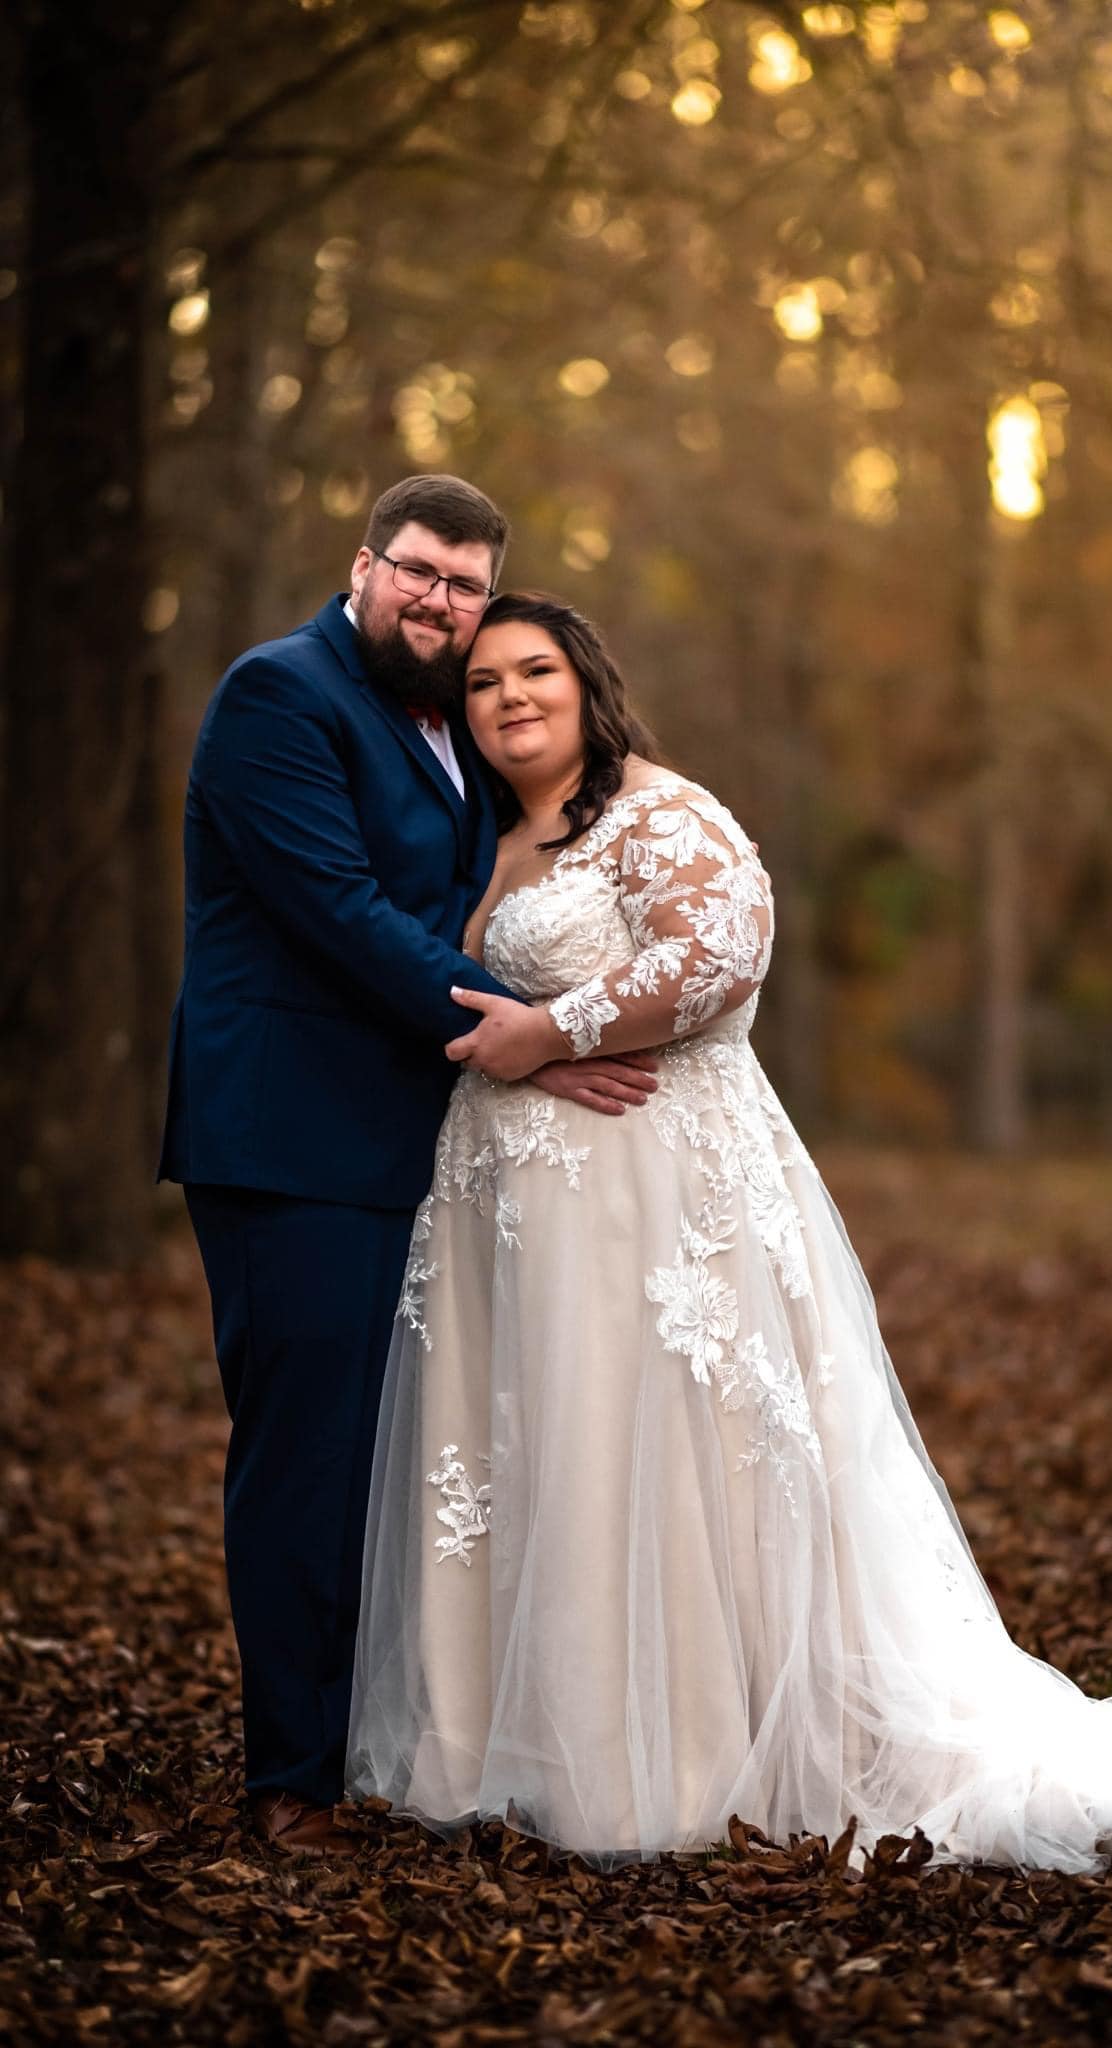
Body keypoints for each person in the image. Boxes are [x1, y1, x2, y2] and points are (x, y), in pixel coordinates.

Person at [346, 592, 1112, 1872]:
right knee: (548, 1443)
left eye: (536, 670)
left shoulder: (658, 809)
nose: (510, 696)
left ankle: (678, 1754)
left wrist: (553, 1031)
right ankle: (526, 1736)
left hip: (655, 1202)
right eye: (482, 682)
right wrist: (521, 1053)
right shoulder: (494, 833)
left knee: (649, 1447)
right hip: (519, 1214)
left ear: (587, 684)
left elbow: (722, 957)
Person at [159, 482, 657, 1858]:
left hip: (411, 1141)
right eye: (419, 575)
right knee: (306, 1460)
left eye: (464, 587)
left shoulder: (434, 721)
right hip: (292, 1143)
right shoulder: (280, 697)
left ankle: (391, 1731)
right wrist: (528, 1041)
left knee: (404, 1460)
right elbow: (340, 914)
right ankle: (291, 1782)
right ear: (363, 566)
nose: (438, 603)